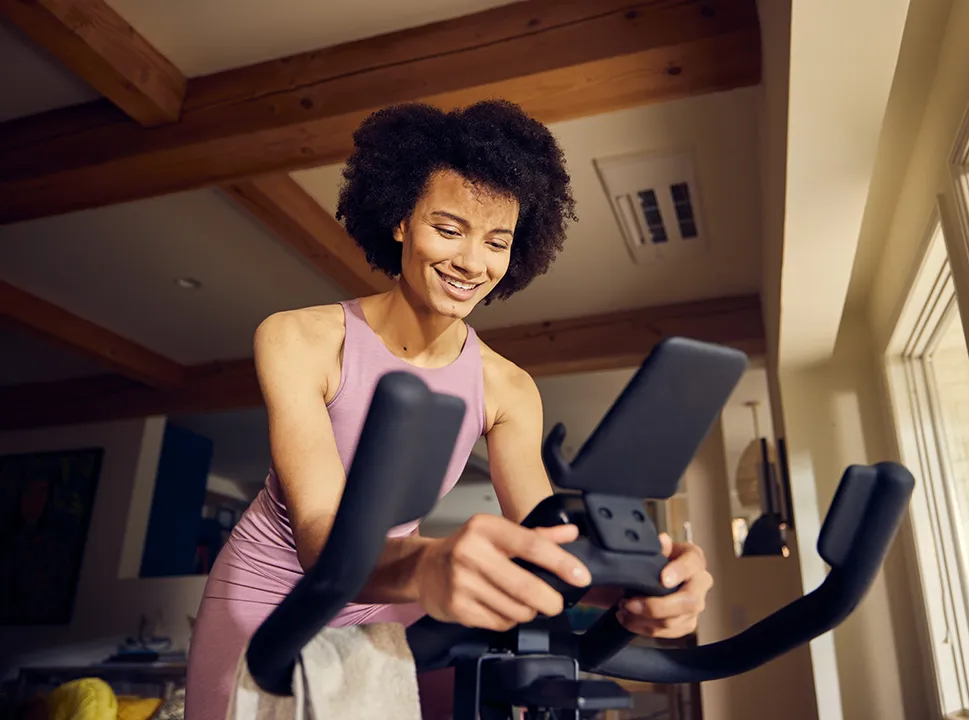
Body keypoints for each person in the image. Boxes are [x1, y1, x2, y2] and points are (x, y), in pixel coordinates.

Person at [185, 99, 715, 718]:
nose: (471, 262)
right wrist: (432, 561)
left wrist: (640, 583)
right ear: (400, 221)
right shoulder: (300, 338)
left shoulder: (507, 387)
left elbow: (544, 539)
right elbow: (321, 534)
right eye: (448, 228)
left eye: (496, 241)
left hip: (392, 596)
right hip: (270, 596)